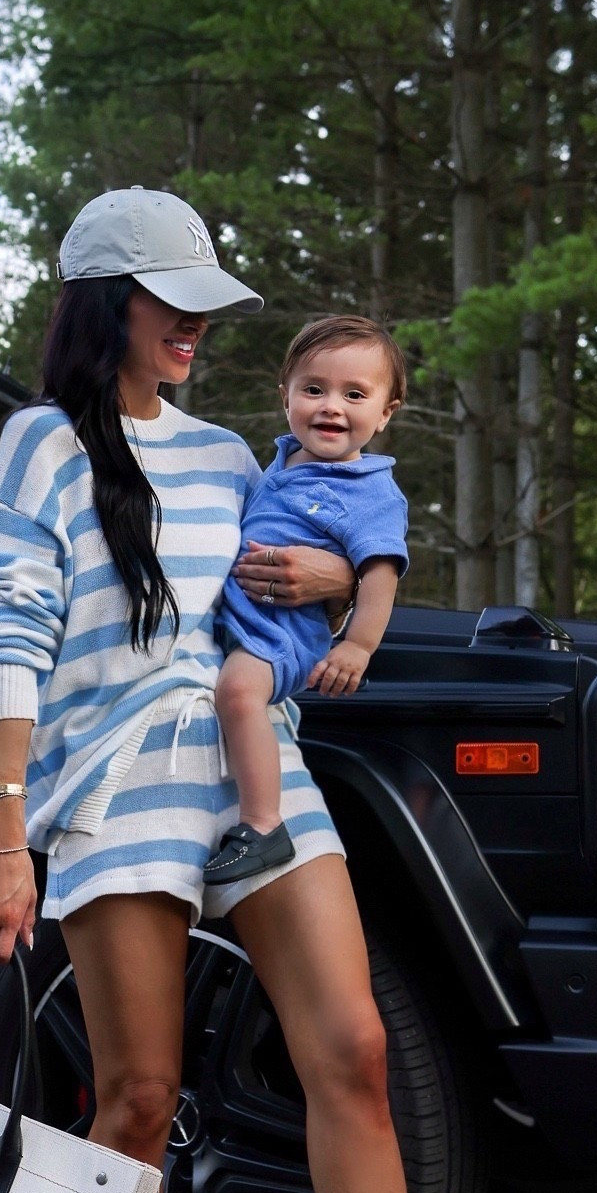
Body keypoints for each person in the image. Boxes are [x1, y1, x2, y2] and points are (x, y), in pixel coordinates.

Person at [0, 186, 470, 1193]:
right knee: (136, 1098)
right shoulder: (43, 445)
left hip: (252, 768)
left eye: (202, 304)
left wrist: (327, 580)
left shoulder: (236, 452)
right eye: (167, 299)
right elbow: (7, 630)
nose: (193, 326)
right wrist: (5, 835)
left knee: (356, 1056)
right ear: (101, 303)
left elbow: (298, 583)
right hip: (113, 780)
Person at [204, 316, 410, 885]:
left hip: (283, 633)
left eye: (355, 395)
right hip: (246, 620)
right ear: (286, 396)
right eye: (314, 389)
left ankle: (264, 825)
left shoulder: (371, 492)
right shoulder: (281, 460)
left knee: (240, 693)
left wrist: (358, 647)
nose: (331, 407)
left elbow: (381, 574)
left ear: (386, 412)